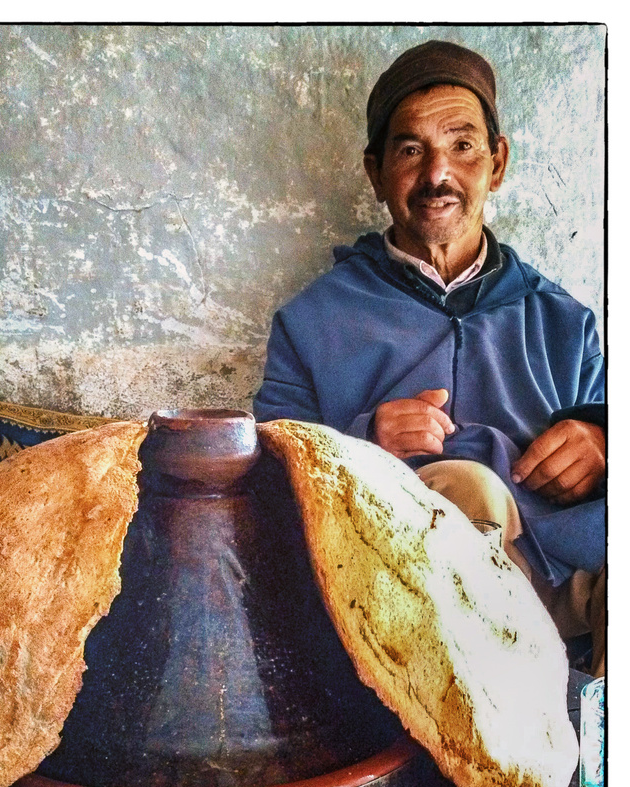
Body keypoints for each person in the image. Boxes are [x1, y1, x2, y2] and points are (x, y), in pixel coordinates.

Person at [253, 40, 605, 675]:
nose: (438, 174)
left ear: (497, 162)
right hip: (406, 596)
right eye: (411, 149)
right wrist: (362, 442)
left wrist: (604, 445)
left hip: (562, 574)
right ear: (376, 170)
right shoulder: (311, 321)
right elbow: (267, 476)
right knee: (465, 488)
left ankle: (605, 762)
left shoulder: (563, 320)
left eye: (463, 146)